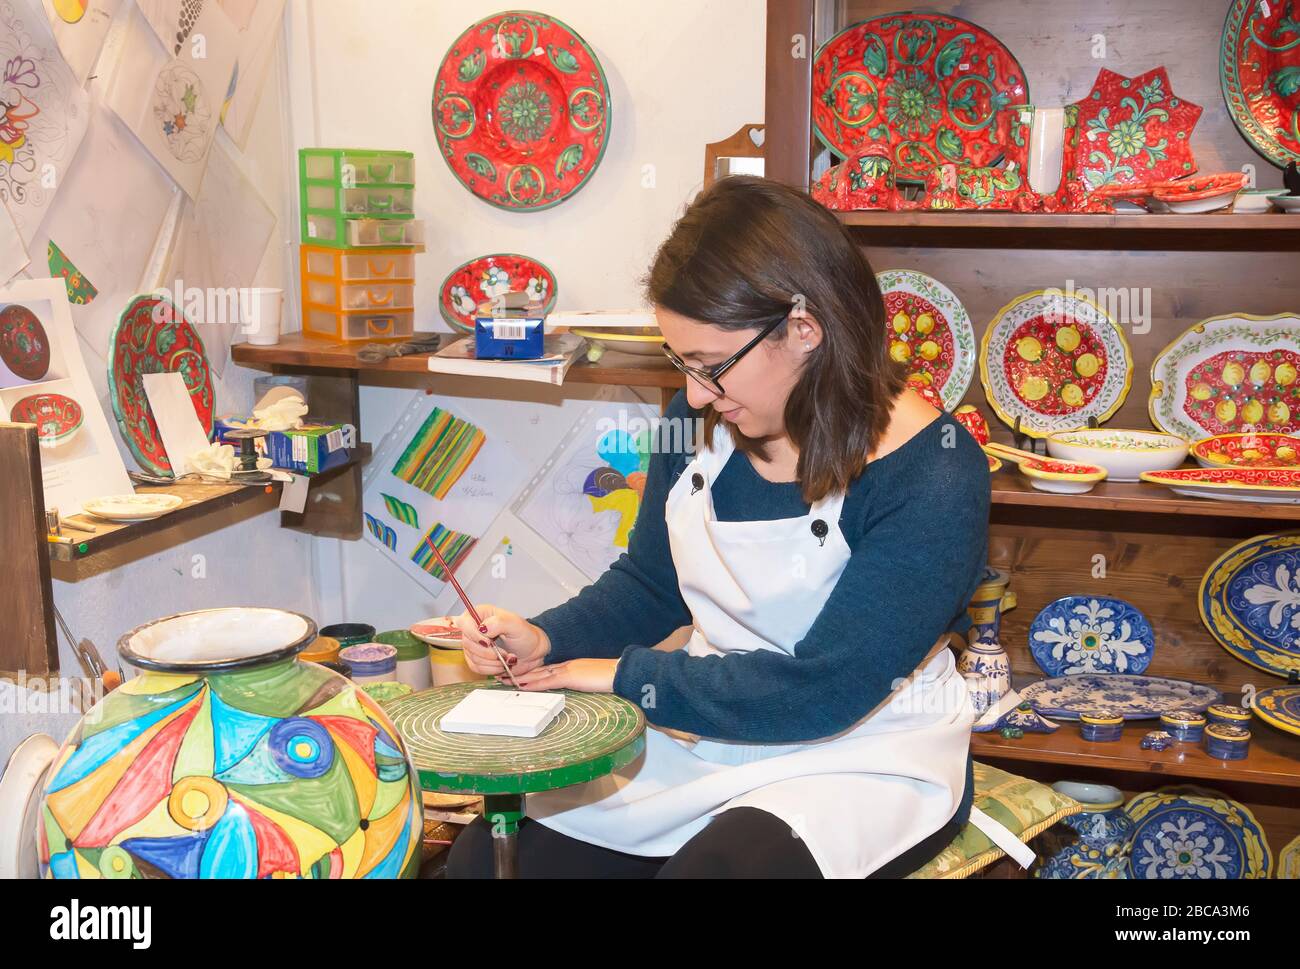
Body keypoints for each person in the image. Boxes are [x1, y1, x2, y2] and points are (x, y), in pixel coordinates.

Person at [446, 175, 993, 879]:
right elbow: (652, 583)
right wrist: (549, 636)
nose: (696, 393)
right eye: (682, 364)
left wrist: (619, 676)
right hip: (714, 722)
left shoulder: (934, 472)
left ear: (804, 329)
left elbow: (826, 687)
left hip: (863, 751)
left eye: (711, 366)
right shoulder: (697, 420)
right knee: (491, 858)